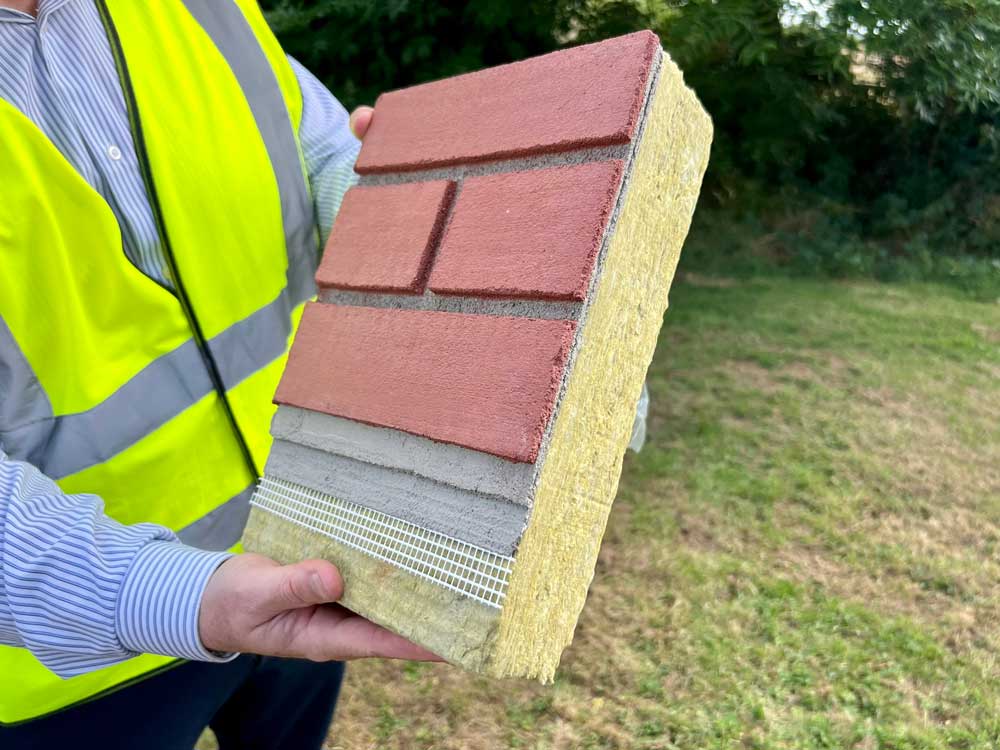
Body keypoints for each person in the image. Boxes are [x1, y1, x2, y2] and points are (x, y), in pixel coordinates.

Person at [0, 1, 437, 747]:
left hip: (303, 550)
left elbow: (321, 157)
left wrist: (412, 221)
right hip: (70, 664)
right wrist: (172, 593)